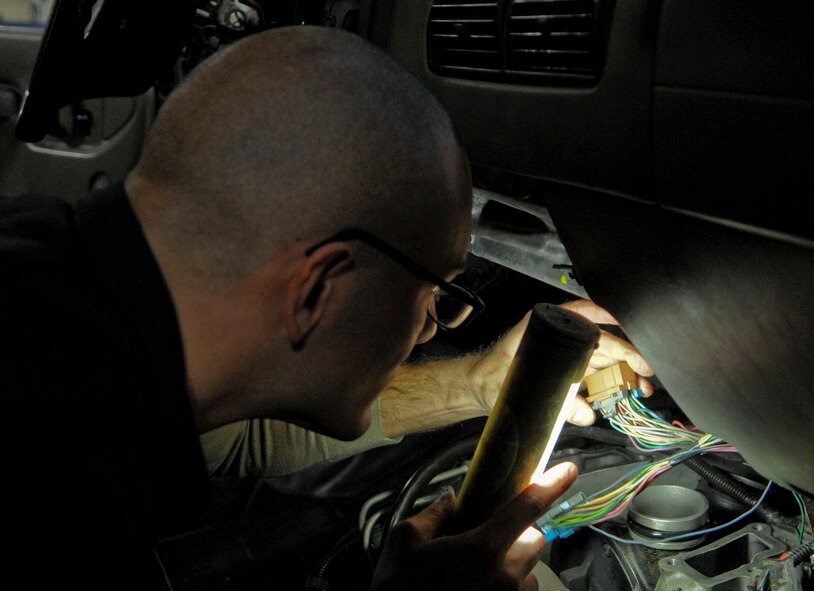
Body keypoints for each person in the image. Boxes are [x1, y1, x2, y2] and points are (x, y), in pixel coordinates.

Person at [1, 25, 652, 589]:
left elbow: (239, 436)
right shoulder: (50, 485)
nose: (430, 326)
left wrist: (482, 383)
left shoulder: (65, 299)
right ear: (317, 288)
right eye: (434, 295)